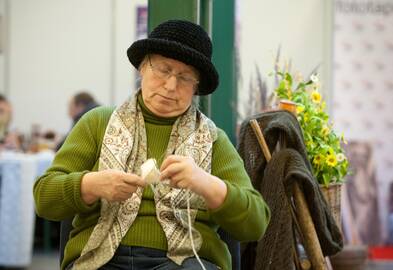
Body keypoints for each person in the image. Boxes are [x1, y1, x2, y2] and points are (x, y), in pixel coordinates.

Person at [33, 19, 270, 270]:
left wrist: (206, 183)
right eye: (163, 70)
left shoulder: (213, 139)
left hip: (183, 262)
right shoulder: (97, 123)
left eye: (185, 77)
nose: (170, 86)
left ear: (197, 86)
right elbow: (44, 199)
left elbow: (256, 225)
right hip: (100, 259)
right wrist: (91, 184)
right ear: (142, 67)